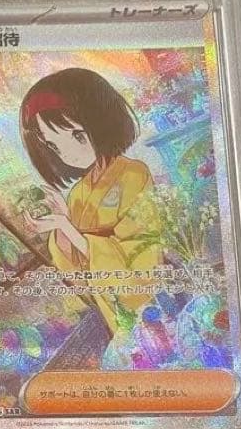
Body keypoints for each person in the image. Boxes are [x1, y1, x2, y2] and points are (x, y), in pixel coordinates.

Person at [19, 67, 162, 335]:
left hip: (145, 304)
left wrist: (68, 226)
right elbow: (78, 277)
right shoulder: (78, 193)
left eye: (77, 135)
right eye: (53, 145)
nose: (68, 154)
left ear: (102, 122)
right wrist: (62, 226)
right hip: (110, 307)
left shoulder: (134, 174)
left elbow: (142, 261)